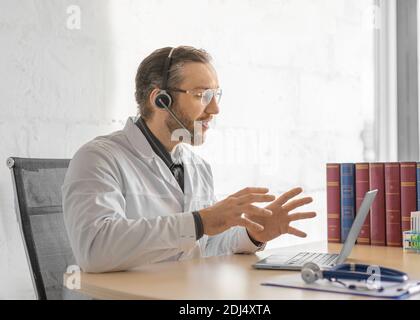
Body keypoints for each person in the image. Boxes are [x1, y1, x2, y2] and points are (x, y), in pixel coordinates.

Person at [62, 45, 316, 273]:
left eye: (216, 95)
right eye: (201, 95)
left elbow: (205, 244)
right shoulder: (98, 159)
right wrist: (199, 221)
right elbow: (94, 251)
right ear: (160, 99)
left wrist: (252, 234)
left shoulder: (197, 167)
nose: (215, 109)